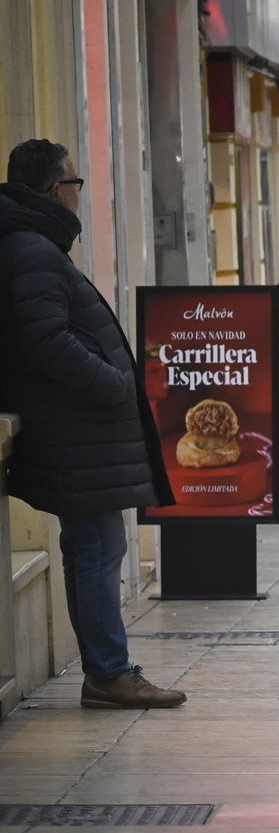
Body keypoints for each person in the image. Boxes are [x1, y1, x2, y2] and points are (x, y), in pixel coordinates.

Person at [0, 140, 185, 709]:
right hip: (76, 434)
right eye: (76, 184)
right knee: (99, 549)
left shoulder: (31, 243)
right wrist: (114, 383)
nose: (79, 194)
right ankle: (108, 673)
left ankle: (106, 671)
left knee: (91, 549)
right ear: (57, 190)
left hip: (75, 436)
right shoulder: (33, 249)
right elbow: (48, 340)